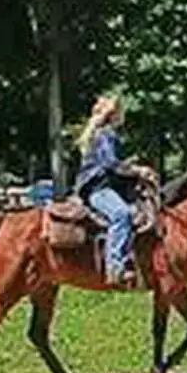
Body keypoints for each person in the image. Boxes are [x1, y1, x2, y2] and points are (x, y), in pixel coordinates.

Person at [73, 94, 155, 287]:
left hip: (104, 187)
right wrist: (138, 170)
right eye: (121, 111)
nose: (123, 116)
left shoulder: (104, 134)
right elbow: (110, 164)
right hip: (98, 189)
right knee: (121, 214)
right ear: (114, 114)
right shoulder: (105, 134)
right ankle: (115, 267)